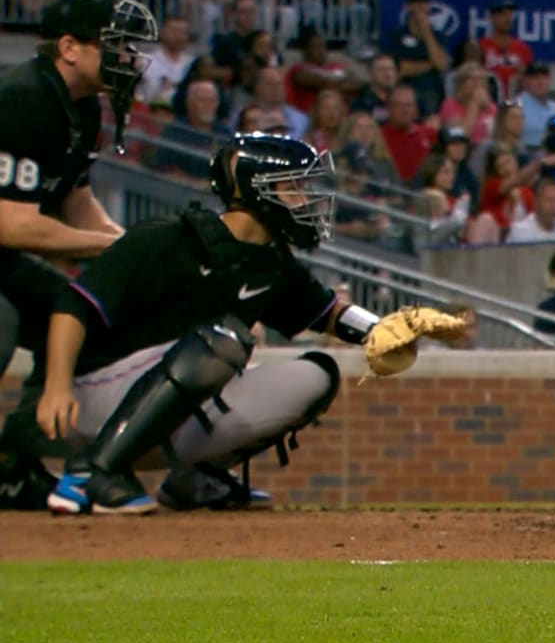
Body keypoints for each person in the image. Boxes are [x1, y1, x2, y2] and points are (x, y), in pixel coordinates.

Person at [33, 134, 436, 514]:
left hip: (170, 407)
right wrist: (56, 385)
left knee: (317, 375)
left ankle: (193, 479)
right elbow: (75, 302)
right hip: (90, 399)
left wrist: (382, 330)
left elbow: (328, 311)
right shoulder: (170, 238)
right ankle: (92, 475)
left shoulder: (272, 262)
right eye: (292, 187)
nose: (305, 199)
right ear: (256, 190)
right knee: (221, 341)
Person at [0, 0, 159, 511]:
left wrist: (132, 251)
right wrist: (112, 247)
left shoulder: (81, 107)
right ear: (70, 47)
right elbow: (13, 225)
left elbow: (75, 203)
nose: (127, 58)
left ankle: (11, 466)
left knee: (75, 316)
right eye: (114, 45)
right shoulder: (23, 96)